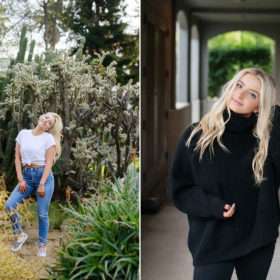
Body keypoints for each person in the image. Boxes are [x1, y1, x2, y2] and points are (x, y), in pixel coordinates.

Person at [167, 68, 280, 280]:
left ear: (260, 106)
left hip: (257, 238)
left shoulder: (266, 140)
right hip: (212, 237)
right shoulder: (197, 135)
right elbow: (179, 190)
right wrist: (214, 206)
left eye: (252, 94)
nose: (240, 94)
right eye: (239, 85)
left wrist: (276, 115)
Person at [4, 112, 63, 257]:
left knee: (42, 214)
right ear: (40, 117)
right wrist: (20, 179)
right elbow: (17, 158)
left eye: (50, 123)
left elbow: (49, 162)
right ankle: (20, 234)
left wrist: (42, 183)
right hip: (26, 177)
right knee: (9, 205)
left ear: (49, 128)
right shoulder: (23, 134)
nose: (46, 121)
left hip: (44, 177)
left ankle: (42, 246)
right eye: (46, 117)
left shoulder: (48, 138)